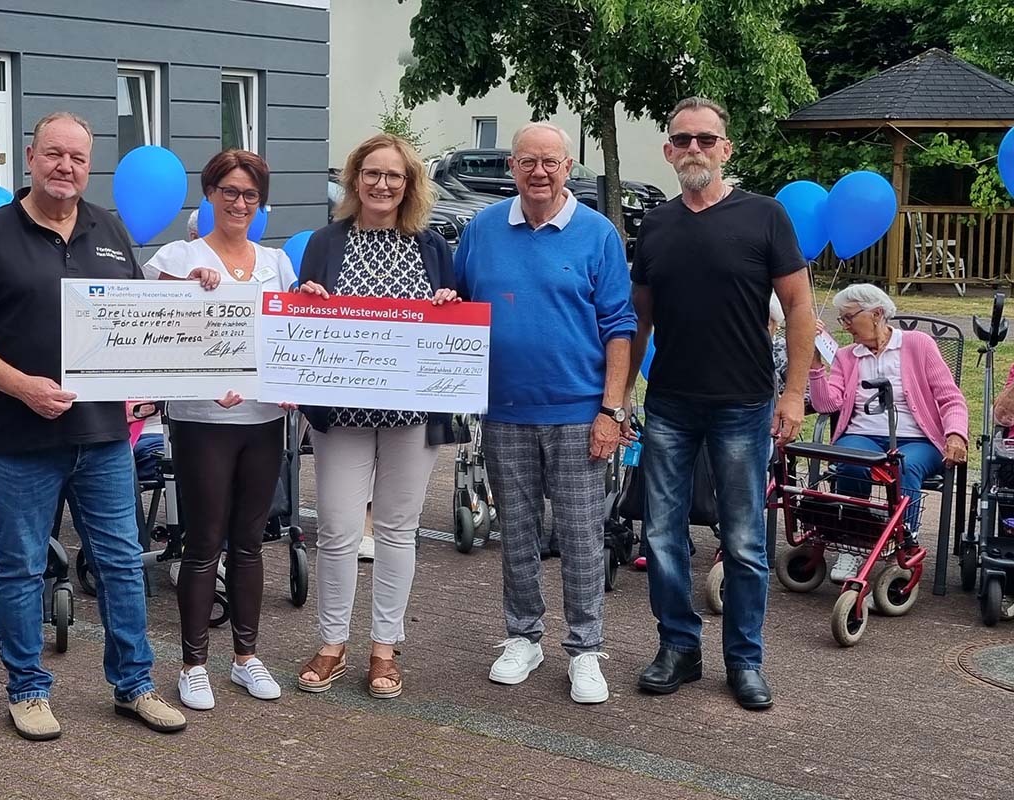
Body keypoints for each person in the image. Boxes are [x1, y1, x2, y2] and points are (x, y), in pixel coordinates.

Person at [0, 111, 186, 741]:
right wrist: (20, 385)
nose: (65, 167)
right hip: (19, 440)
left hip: (103, 436)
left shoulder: (108, 228)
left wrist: (192, 291)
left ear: (89, 162)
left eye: (77, 157)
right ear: (30, 156)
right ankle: (26, 689)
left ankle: (133, 685)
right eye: (54, 154)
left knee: (122, 563)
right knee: (21, 566)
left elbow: (136, 313)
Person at [627, 97, 815, 711]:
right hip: (671, 405)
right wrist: (623, 394)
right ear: (668, 151)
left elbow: (800, 311)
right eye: (682, 141)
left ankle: (744, 659)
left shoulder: (765, 217)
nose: (694, 150)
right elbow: (639, 320)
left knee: (743, 541)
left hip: (744, 404)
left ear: (726, 149)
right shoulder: (654, 225)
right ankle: (679, 648)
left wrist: (793, 394)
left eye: (706, 140)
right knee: (661, 534)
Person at [454, 121, 636, 704]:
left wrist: (613, 408)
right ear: (512, 167)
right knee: (518, 531)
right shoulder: (481, 229)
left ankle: (585, 649)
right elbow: (456, 309)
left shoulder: (598, 234)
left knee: (582, 535)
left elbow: (619, 328)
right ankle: (523, 637)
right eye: (528, 161)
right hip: (504, 409)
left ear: (567, 167)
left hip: (580, 411)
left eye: (551, 162)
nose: (539, 171)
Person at [295, 132, 459, 699]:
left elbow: (453, 317)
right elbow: (300, 314)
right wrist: (306, 295)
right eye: (372, 174)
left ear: (409, 183)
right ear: (354, 179)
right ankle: (332, 642)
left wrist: (446, 306)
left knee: (397, 530)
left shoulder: (432, 247)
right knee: (338, 529)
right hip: (340, 411)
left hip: (411, 412)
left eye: (394, 175)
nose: (382, 184)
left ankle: (384, 649)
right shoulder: (325, 241)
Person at [141, 149, 295, 711]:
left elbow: (290, 331)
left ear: (261, 202)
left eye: (249, 194)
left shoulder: (276, 261)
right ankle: (193, 663)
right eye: (228, 191)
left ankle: (246, 657)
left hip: (262, 417)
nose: (239, 203)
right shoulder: (177, 254)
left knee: (251, 542)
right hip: (202, 418)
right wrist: (184, 284)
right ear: (210, 194)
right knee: (204, 542)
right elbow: (147, 322)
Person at [809, 283, 968, 581]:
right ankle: (852, 542)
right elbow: (826, 403)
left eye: (848, 318)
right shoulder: (846, 356)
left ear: (877, 314)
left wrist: (956, 434)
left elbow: (951, 397)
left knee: (901, 466)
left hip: (917, 439)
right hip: (864, 435)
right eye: (841, 319)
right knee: (851, 460)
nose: (844, 327)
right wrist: (815, 363)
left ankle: (902, 546)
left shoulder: (918, 345)